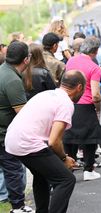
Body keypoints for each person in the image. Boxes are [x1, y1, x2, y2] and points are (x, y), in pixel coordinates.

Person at [5, 70, 86, 213]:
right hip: (28, 143)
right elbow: (54, 141)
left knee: (42, 175)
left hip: (12, 139)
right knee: (66, 180)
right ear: (79, 87)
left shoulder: (46, 94)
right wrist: (64, 158)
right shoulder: (66, 103)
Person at [64, 36, 101, 181]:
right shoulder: (94, 67)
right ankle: (89, 170)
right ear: (95, 51)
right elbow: (95, 95)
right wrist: (98, 109)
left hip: (69, 104)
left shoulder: (70, 61)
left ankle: (68, 169)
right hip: (86, 106)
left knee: (69, 137)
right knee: (90, 138)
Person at [0, 41, 33, 213]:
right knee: (13, 171)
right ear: (26, 59)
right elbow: (23, 114)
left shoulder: (3, 71)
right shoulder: (12, 79)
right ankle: (18, 207)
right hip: (5, 135)